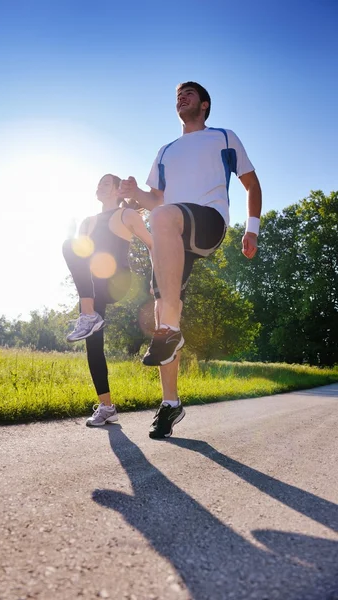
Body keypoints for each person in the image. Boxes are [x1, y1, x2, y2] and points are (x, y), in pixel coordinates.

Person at [119, 81, 262, 439]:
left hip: (208, 220)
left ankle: (171, 331)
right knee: (161, 309)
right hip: (172, 230)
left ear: (204, 104)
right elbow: (155, 200)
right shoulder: (165, 150)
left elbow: (252, 185)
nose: (181, 98)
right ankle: (170, 403)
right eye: (177, 95)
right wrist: (133, 193)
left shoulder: (224, 137)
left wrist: (252, 229)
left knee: (164, 217)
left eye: (189, 94)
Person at [62, 173, 152, 427]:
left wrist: (161, 283)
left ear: (116, 190)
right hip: (93, 286)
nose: (99, 186)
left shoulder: (126, 215)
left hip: (116, 281)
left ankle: (88, 315)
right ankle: (107, 406)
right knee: (93, 344)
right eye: (98, 182)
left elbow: (152, 244)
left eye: (105, 183)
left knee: (75, 248)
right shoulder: (88, 221)